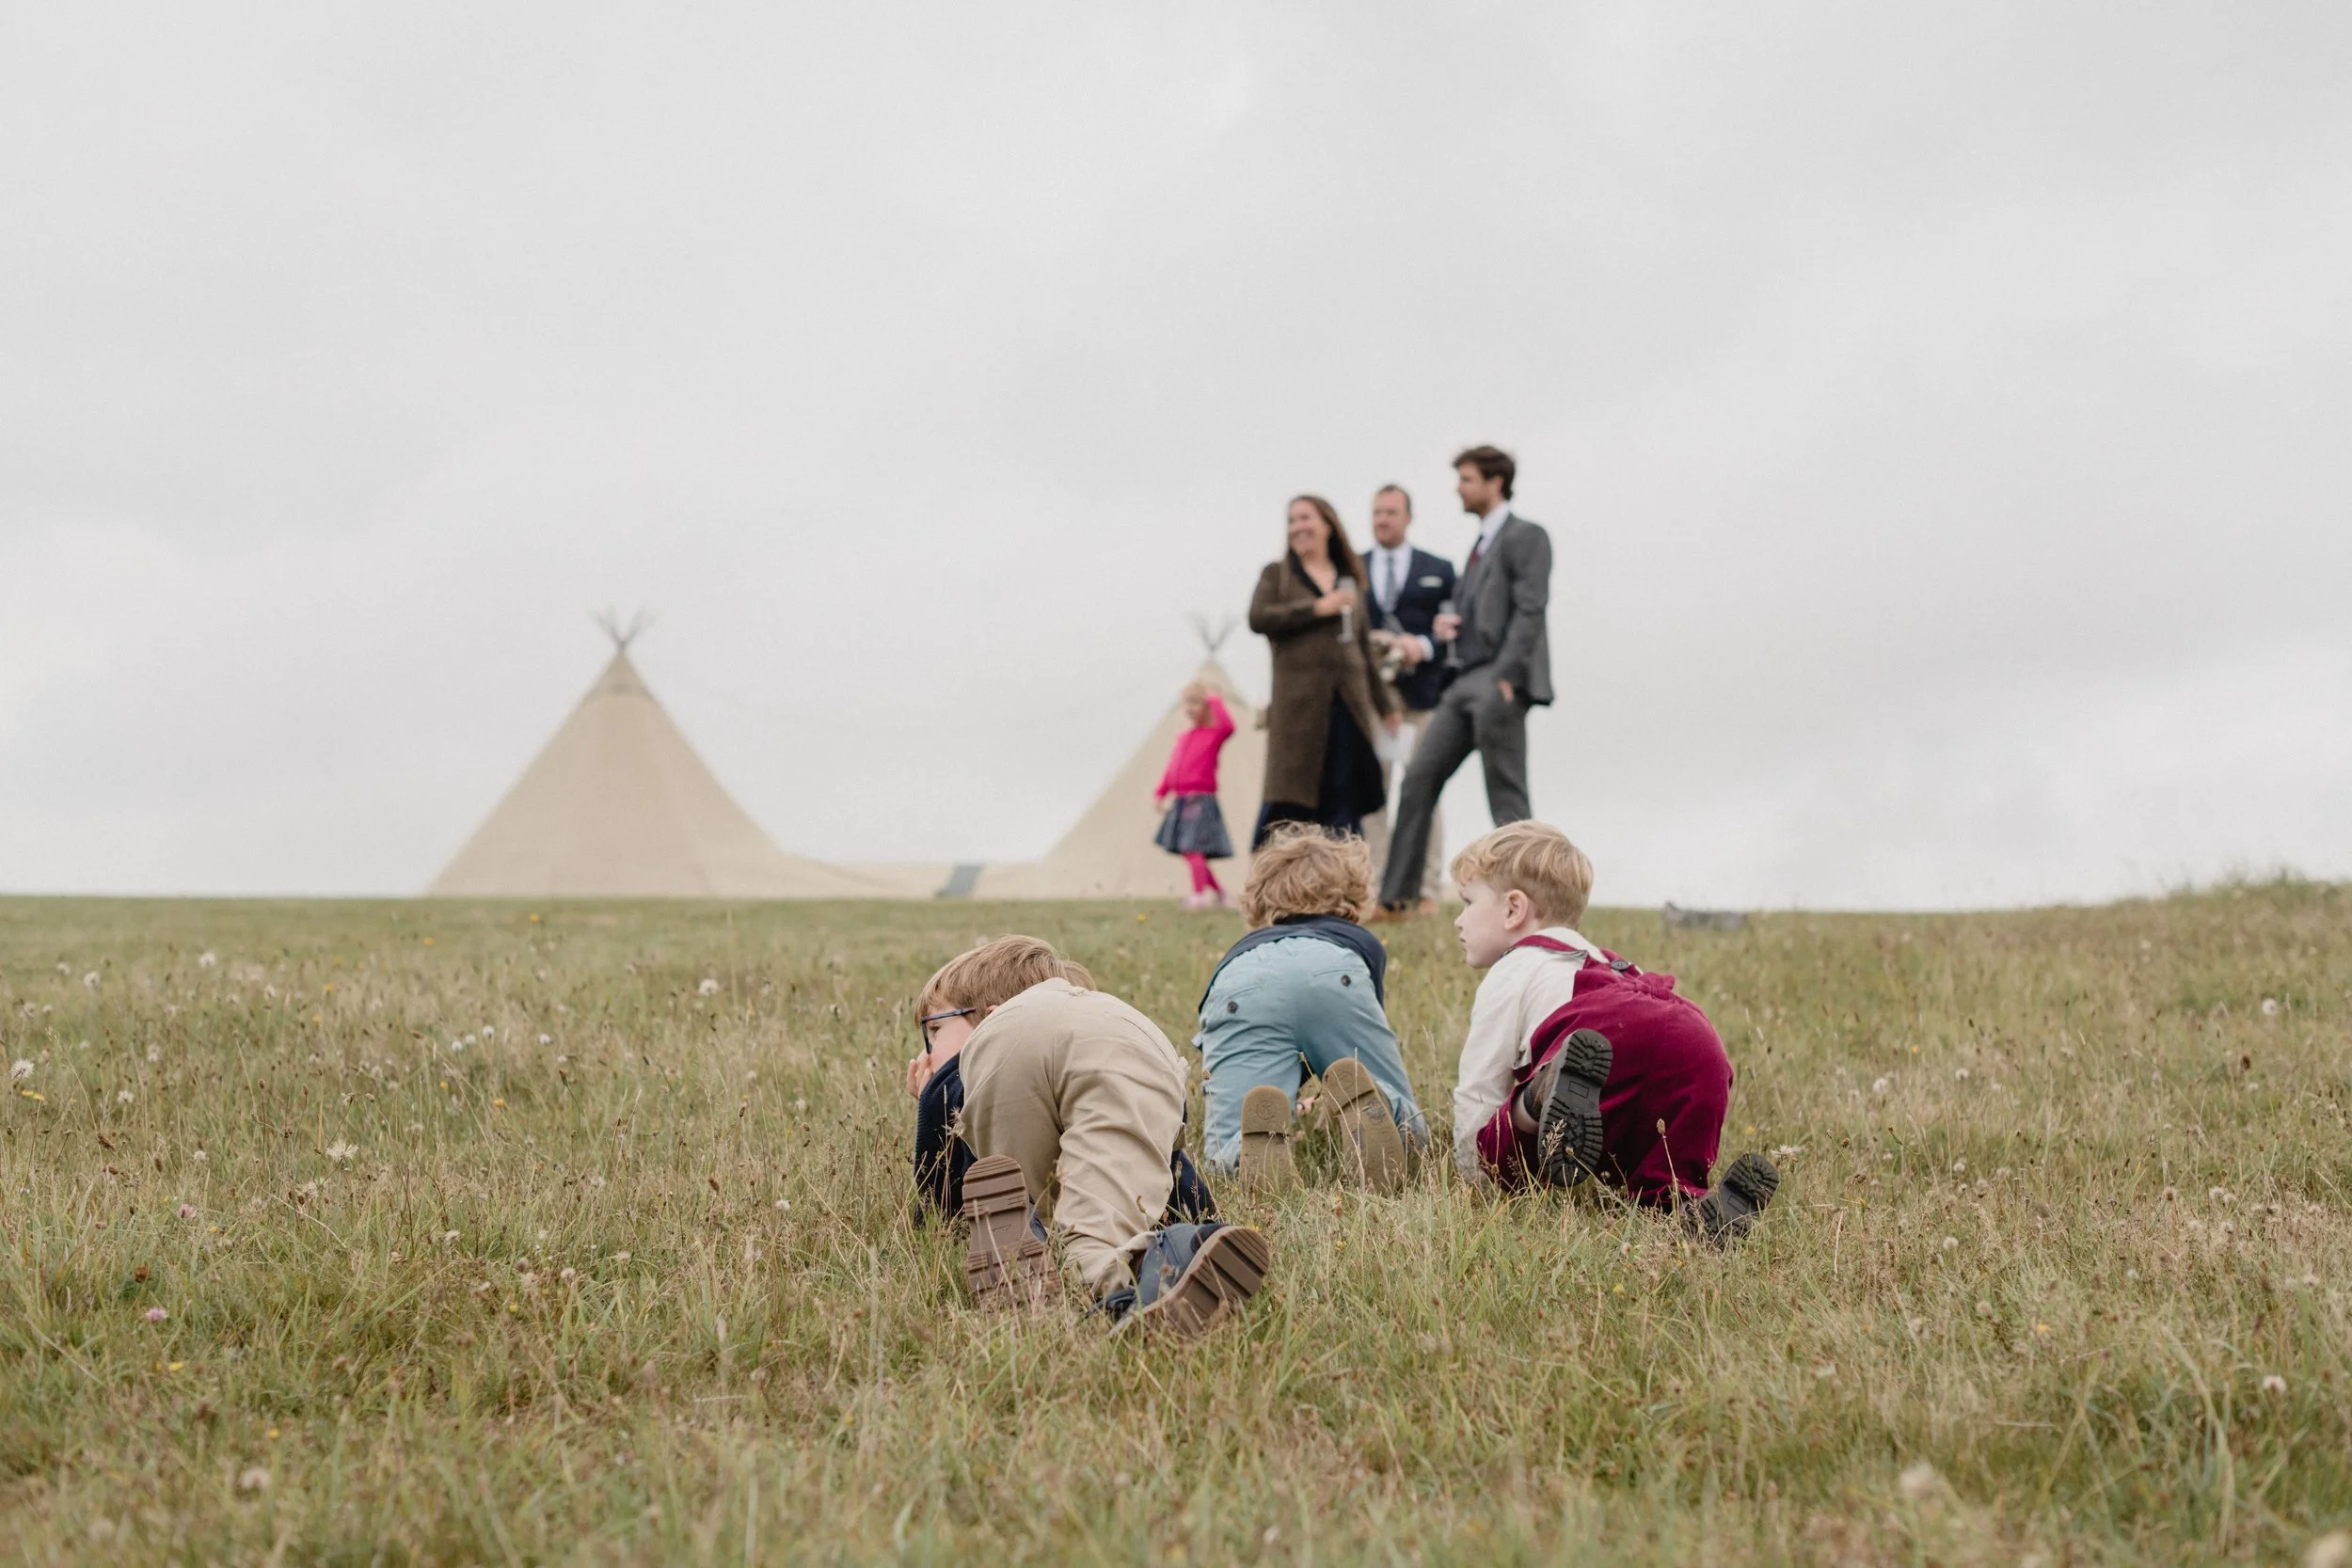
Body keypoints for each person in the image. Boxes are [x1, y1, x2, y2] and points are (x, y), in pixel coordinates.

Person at [903, 936, 1265, 1331]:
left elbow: (937, 1172)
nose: (927, 1052)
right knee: (1105, 1196)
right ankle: (1181, 1248)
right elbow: (1169, 1162)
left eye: (935, 1029)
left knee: (1036, 1200)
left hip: (1014, 1043)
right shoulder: (1094, 1012)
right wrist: (1206, 1216)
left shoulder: (1001, 1030)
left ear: (990, 1015)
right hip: (1141, 1037)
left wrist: (932, 1100)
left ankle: (1075, 1263)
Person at [1445, 820, 1779, 1243]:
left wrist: (1473, 1177)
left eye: (1467, 902)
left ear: (1514, 909)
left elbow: (1479, 1091)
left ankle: (1542, 1092)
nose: (1458, 920)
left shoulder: (1513, 968)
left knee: (1497, 1141)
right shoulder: (1607, 961)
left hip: (1603, 1029)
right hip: (1696, 1041)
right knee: (1666, 1167)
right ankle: (1690, 1209)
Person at [1190, 825, 1428, 1191]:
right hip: (1334, 973)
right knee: (1400, 1113)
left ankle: (1243, 1152)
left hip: (1241, 981)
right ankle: (1383, 1109)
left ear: (1259, 900)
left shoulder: (1248, 945)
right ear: (1354, 900)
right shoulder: (1357, 941)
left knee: (1224, 1147)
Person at [1376, 446, 1552, 915]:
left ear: (1495, 483)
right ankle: (1396, 899)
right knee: (1418, 780)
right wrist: (1447, 627)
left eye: (1467, 479)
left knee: (1507, 797)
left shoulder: (1527, 536)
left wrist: (1508, 677)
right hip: (1461, 683)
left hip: (1498, 681)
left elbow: (1531, 609)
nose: (1459, 488)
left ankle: (1532, 902)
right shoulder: (1478, 546)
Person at [1248, 495, 1401, 847]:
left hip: (1347, 705)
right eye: (1292, 520)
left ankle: (1344, 875)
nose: (1298, 527)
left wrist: (1385, 705)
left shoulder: (1350, 582)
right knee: (1287, 804)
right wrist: (1317, 608)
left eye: (1306, 518)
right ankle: (1273, 876)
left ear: (1327, 526)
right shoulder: (1277, 576)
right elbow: (1258, 618)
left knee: (1344, 800)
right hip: (1298, 712)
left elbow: (1364, 649)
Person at [1358, 483, 1457, 910]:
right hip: (1371, 702)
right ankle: (1376, 888)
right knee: (1371, 796)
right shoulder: (1354, 569)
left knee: (1422, 789)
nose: (1382, 520)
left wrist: (1423, 646)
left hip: (1421, 701)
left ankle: (1426, 888)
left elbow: (1453, 629)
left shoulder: (1440, 569)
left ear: (1408, 517)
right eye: (1377, 513)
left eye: (1391, 513)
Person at [1151, 682, 1236, 910]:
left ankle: (1199, 895)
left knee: (1192, 848)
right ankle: (1220, 894)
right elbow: (1173, 768)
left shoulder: (1213, 734)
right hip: (1181, 798)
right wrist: (1161, 792)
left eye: (1196, 703)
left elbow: (1229, 727)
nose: (1190, 708)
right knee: (1189, 849)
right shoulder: (1185, 737)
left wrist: (1214, 699)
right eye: (1187, 703)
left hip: (1200, 799)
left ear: (1206, 706)